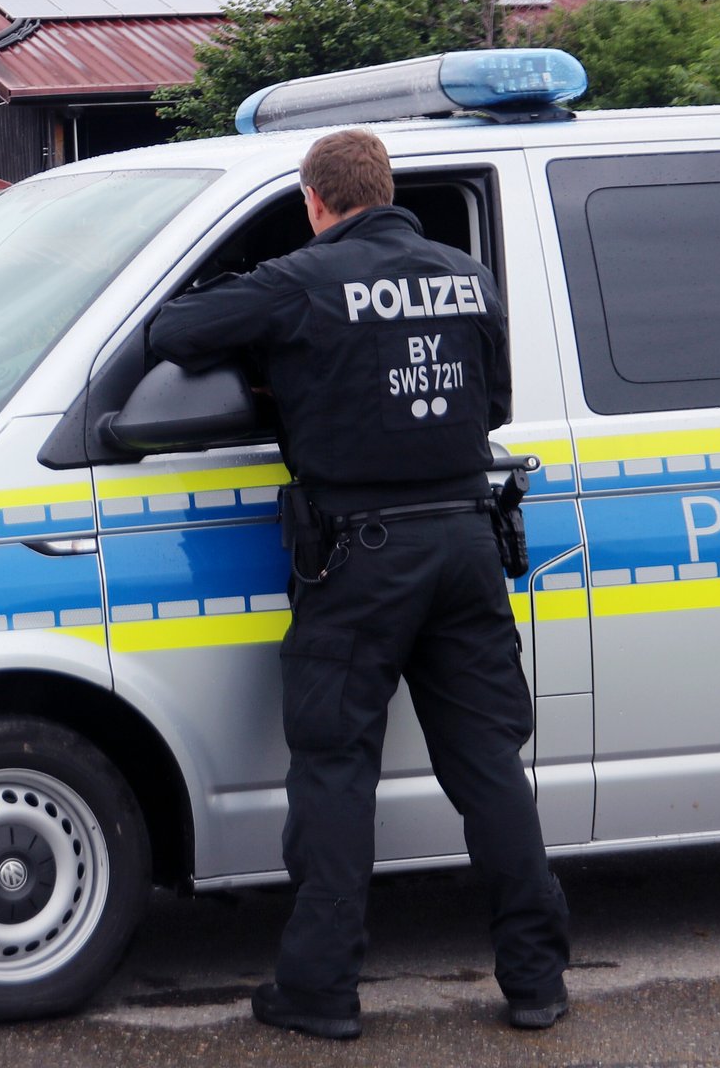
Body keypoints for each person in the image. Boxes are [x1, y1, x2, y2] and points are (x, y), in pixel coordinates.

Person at [147, 129, 571, 1040]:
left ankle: (321, 991)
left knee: (336, 771)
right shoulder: (468, 276)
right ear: (387, 190)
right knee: (491, 768)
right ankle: (537, 980)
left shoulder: (301, 280)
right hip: (465, 543)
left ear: (315, 201)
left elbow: (172, 331)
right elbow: (491, 405)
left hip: (360, 558)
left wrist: (280, 371)